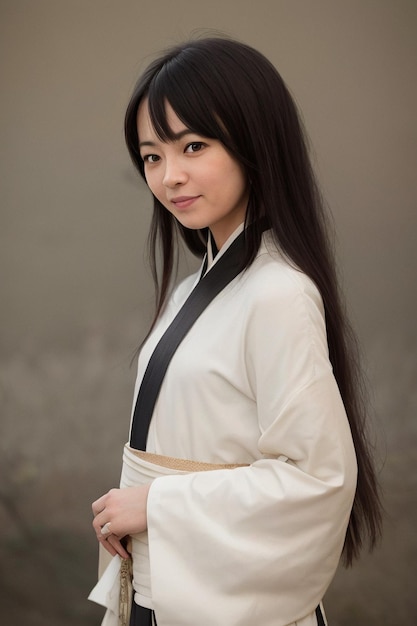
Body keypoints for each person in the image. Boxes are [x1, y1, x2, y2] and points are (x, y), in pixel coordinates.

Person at [90, 37, 382, 626]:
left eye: (193, 145)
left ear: (254, 143)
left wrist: (156, 504)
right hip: (164, 589)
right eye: (151, 156)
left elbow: (317, 479)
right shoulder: (189, 292)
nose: (170, 176)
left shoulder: (278, 293)